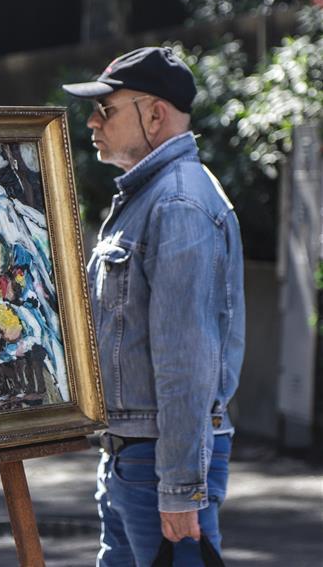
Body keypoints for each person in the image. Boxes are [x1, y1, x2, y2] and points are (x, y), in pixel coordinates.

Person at [62, 47, 245, 565]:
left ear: (155, 114)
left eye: (107, 109)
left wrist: (181, 489)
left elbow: (186, 361)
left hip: (158, 461)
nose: (93, 122)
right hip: (131, 455)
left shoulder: (177, 204)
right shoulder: (149, 197)